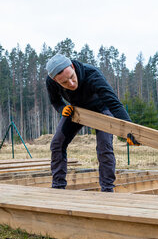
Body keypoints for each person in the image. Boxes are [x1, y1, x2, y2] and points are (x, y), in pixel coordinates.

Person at [46, 53, 139, 192]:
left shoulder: (92, 74)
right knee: (57, 144)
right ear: (55, 80)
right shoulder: (50, 81)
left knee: (104, 147)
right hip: (76, 110)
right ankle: (58, 188)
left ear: (72, 67)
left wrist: (129, 130)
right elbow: (55, 101)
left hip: (101, 109)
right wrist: (62, 108)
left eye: (72, 77)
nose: (71, 84)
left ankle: (107, 190)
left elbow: (113, 103)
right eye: (64, 83)